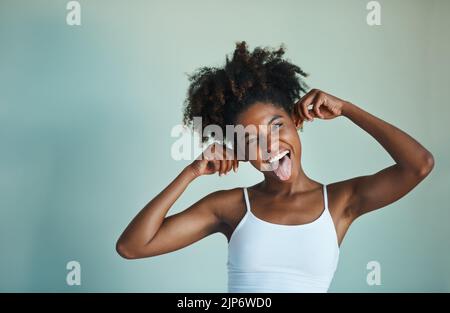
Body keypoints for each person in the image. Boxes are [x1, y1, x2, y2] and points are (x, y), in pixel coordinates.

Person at [116, 41, 434, 292]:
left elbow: (419, 165)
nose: (270, 145)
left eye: (277, 126)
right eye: (252, 139)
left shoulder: (340, 202)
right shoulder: (229, 206)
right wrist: (192, 173)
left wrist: (347, 109)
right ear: (240, 148)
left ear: (297, 123)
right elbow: (132, 246)